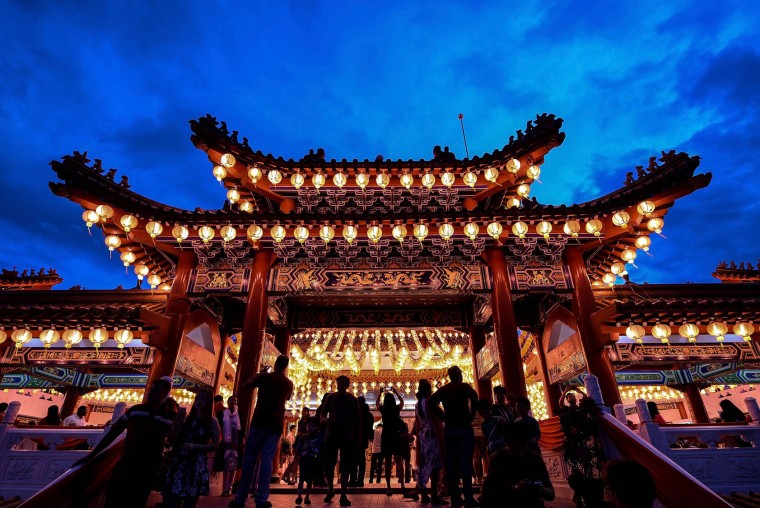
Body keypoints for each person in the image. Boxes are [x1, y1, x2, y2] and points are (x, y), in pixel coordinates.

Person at [74, 378, 175, 508]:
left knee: (136, 500)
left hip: (149, 466)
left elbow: (173, 440)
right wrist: (92, 454)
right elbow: (113, 432)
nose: (151, 392)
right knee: (114, 498)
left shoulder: (169, 416)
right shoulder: (135, 410)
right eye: (151, 389)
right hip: (127, 462)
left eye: (156, 390)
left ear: (164, 394)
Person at [230, 355, 294, 508]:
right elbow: (288, 398)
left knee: (250, 460)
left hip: (259, 422)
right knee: (267, 462)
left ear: (276, 363)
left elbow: (246, 385)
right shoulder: (288, 383)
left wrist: (259, 373)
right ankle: (261, 499)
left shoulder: (265, 377)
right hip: (275, 425)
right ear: (285, 366)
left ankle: (240, 498)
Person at [428, 365, 479, 507]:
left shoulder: (444, 389)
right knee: (465, 464)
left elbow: (431, 402)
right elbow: (475, 397)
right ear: (460, 375)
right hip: (463, 427)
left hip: (450, 429)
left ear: (450, 376)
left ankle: (456, 498)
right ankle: (468, 497)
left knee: (452, 465)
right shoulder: (464, 387)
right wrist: (472, 414)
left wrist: (443, 415)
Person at [163, 388, 221, 508]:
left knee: (190, 501)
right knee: (172, 499)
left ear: (209, 402)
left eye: (203, 399)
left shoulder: (212, 421)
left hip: (195, 464)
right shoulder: (187, 419)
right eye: (198, 398)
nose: (199, 401)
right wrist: (177, 424)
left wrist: (197, 446)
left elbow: (216, 445)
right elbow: (171, 440)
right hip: (179, 461)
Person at [479, 423, 555, 508]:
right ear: (506, 442)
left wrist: (540, 489)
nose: (520, 452)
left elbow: (551, 494)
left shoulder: (535, 459)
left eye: (524, 448)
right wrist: (515, 489)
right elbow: (490, 492)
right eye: (515, 449)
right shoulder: (497, 459)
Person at [321, 375, 360, 506]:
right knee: (329, 464)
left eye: (343, 384)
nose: (340, 386)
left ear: (347, 385)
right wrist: (324, 420)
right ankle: (331, 489)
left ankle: (343, 493)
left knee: (345, 466)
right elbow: (322, 413)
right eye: (339, 384)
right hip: (332, 434)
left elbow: (357, 420)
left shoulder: (352, 399)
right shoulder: (331, 397)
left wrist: (357, 436)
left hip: (346, 435)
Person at [412, 379, 444, 504]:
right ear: (428, 389)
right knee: (436, 465)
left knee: (424, 465)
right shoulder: (430, 402)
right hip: (433, 435)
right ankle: (434, 495)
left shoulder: (418, 404)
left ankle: (424, 494)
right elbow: (441, 415)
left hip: (424, 436)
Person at [376, 386, 410, 497]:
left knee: (388, 462)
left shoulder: (383, 410)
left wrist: (380, 393)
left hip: (386, 436)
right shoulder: (396, 409)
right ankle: (403, 486)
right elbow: (402, 401)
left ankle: (389, 487)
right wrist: (396, 392)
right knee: (399, 462)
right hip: (396, 436)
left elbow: (377, 404)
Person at [217, 395, 241, 497]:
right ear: (228, 402)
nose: (233, 402)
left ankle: (230, 487)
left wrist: (241, 441)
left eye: (234, 400)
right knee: (226, 467)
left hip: (235, 444)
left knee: (234, 467)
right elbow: (218, 428)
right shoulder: (222, 414)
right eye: (231, 400)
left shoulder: (239, 416)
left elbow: (241, 431)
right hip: (226, 443)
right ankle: (225, 488)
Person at [295, 417, 321, 506]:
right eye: (309, 426)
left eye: (313, 426)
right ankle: (299, 496)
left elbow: (320, 449)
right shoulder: (303, 437)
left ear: (317, 427)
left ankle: (307, 496)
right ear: (306, 427)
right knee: (301, 479)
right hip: (304, 460)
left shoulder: (318, 437)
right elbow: (298, 449)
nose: (310, 428)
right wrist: (297, 457)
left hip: (313, 460)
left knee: (310, 480)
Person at [349, 396, 373, 487]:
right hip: (363, 440)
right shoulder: (368, 414)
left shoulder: (354, 413)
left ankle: (352, 480)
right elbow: (369, 428)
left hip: (354, 439)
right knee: (361, 460)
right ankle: (360, 480)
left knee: (353, 461)